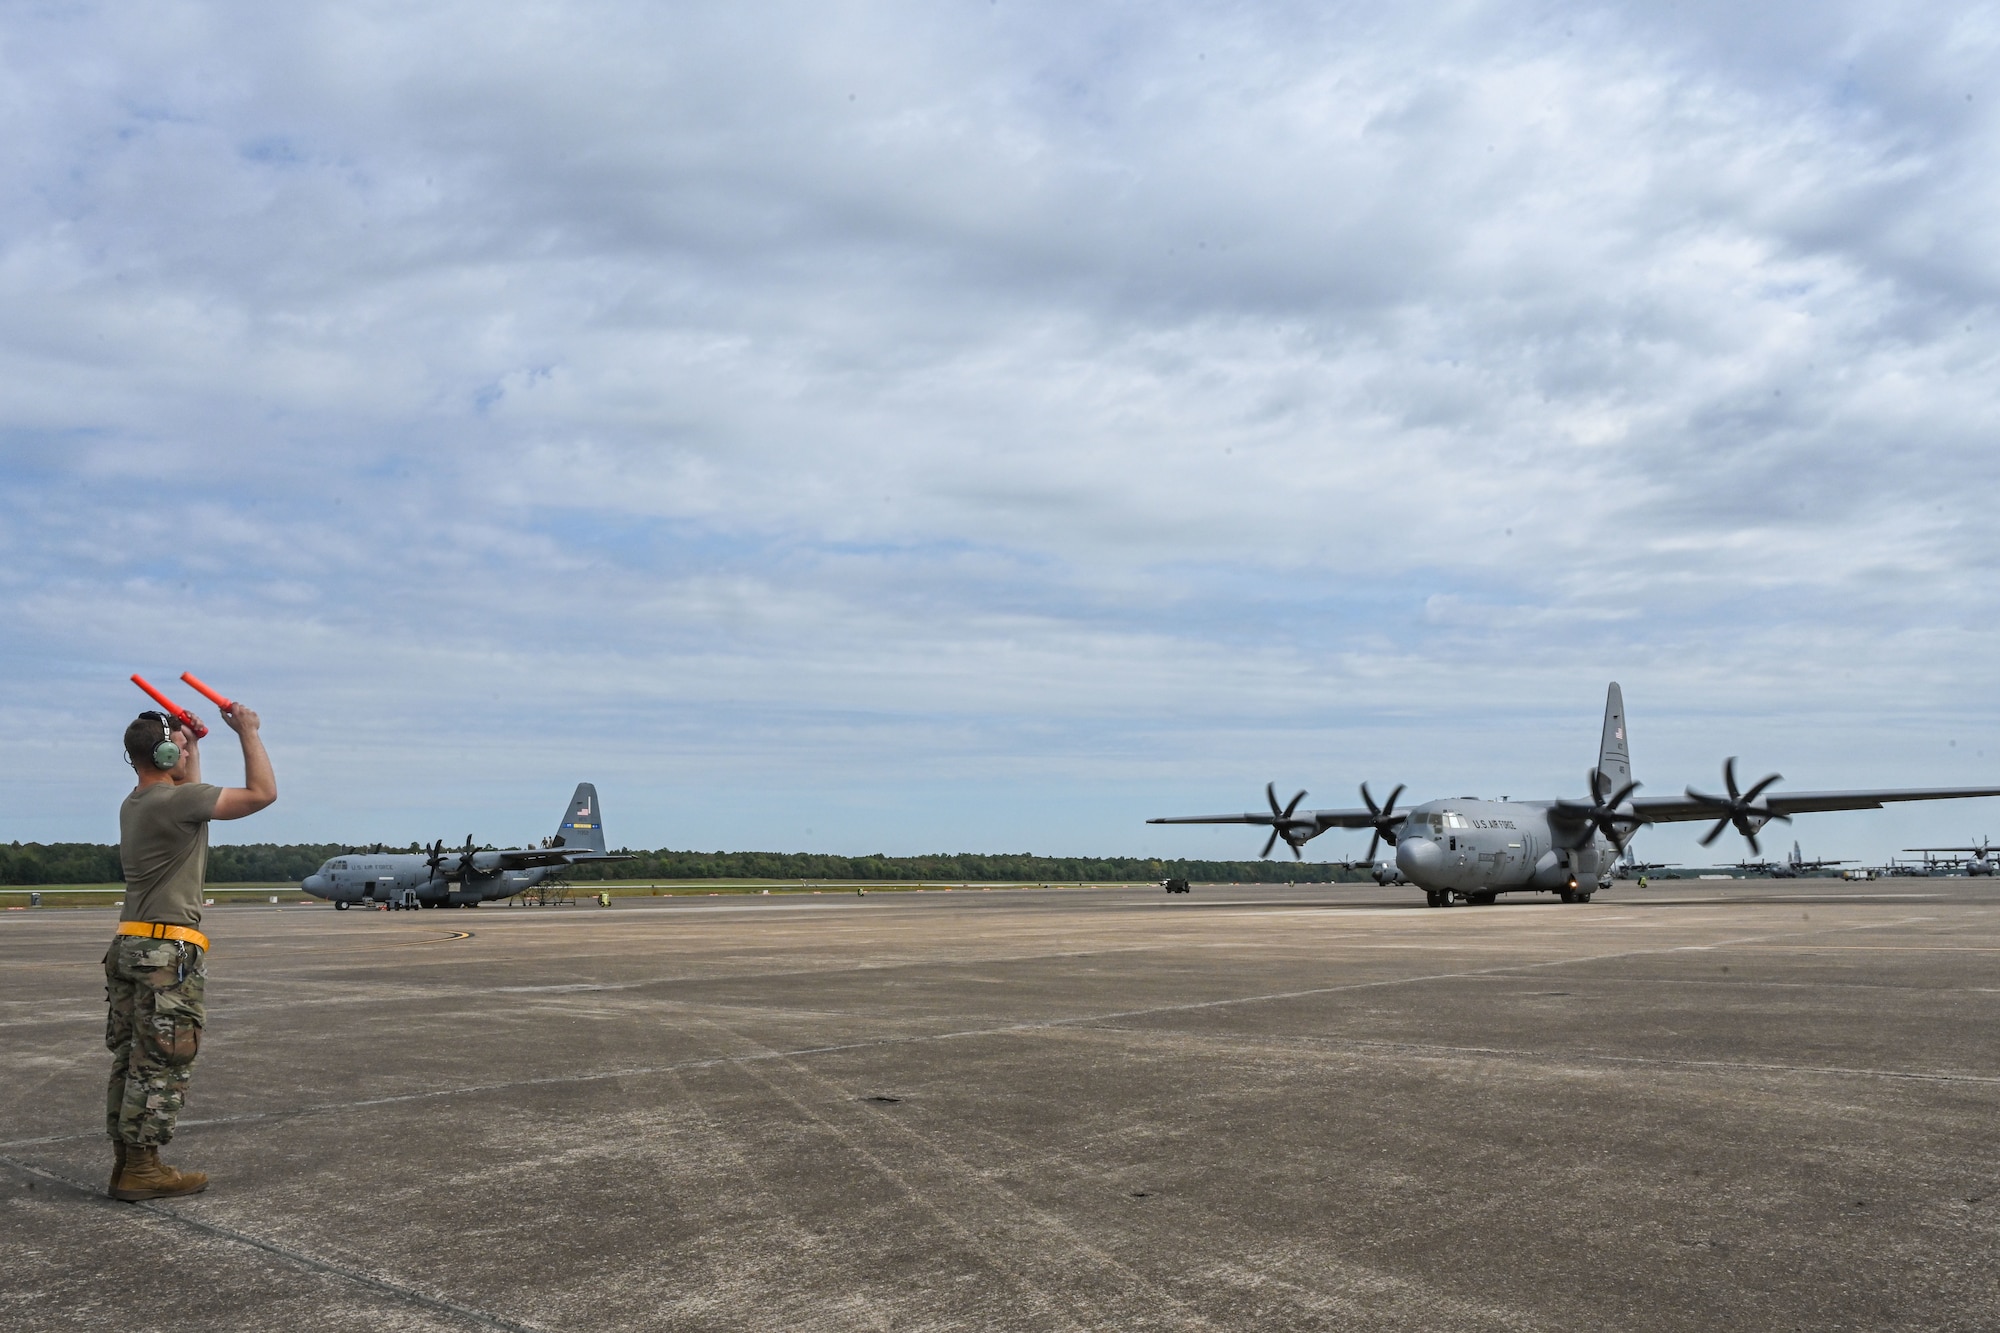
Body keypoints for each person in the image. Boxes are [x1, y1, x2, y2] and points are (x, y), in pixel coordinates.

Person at [105, 702, 275, 1200]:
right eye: (177, 748)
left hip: (130, 944)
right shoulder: (177, 803)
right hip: (165, 953)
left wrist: (192, 746)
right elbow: (263, 794)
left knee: (131, 1059)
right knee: (163, 1061)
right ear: (161, 753)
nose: (183, 754)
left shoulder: (137, 803)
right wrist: (248, 732)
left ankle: (127, 1164)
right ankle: (143, 1169)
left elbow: (185, 790)